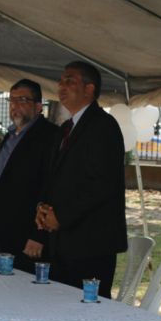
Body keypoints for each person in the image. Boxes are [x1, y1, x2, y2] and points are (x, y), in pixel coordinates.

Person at [36, 61, 127, 298]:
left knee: (85, 313)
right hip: (62, 243)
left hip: (91, 243)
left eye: (70, 81)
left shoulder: (103, 126)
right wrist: (43, 209)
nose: (61, 86)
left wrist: (62, 216)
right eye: (60, 81)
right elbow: (54, 177)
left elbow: (102, 184)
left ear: (89, 89)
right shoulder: (66, 128)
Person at [0, 79, 58, 273]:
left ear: (38, 106)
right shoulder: (10, 136)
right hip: (2, 235)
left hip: (28, 240)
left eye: (22, 100)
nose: (15, 106)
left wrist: (39, 236)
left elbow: (50, 188)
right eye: (11, 100)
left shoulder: (50, 137)